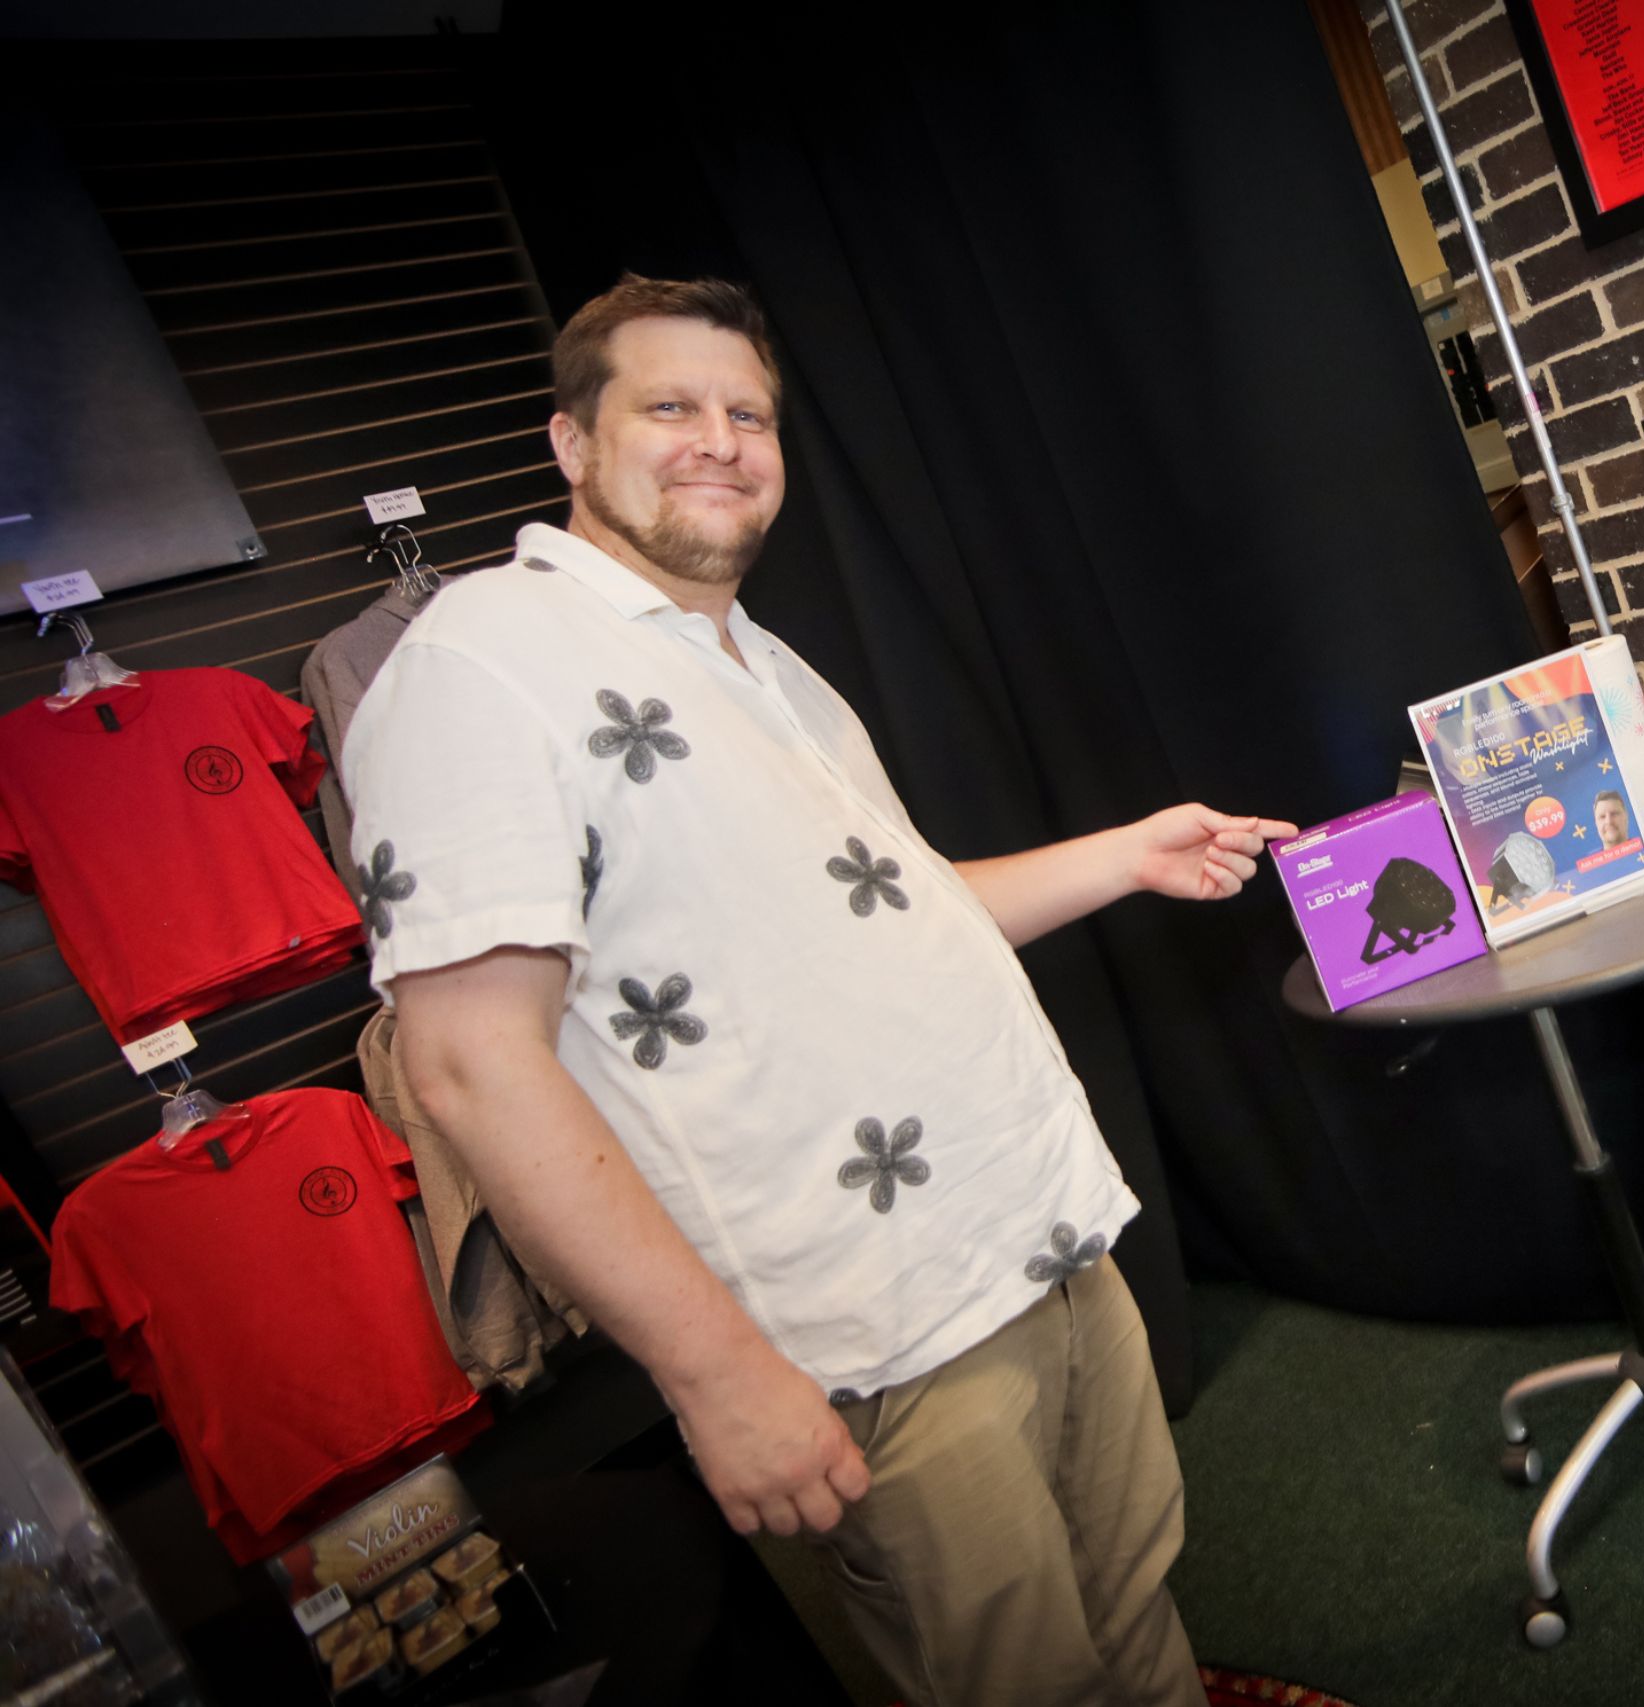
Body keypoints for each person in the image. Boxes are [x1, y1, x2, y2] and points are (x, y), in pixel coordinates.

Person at [343, 274, 1292, 1706]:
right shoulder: (480, 660)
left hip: (1032, 1233)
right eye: (670, 406)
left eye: (750, 413)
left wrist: (1127, 853)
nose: (720, 439)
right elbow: (471, 1061)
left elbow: (897, 915)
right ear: (572, 443)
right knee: (1014, 1675)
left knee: (1134, 1602)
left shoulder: (765, 661)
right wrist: (718, 1372)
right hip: (866, 1332)